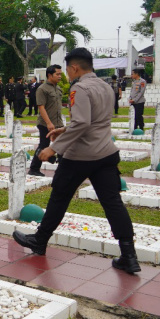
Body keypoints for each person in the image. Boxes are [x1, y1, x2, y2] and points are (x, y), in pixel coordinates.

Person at [13, 48, 140, 275]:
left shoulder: (79, 88)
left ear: (74, 67)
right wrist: (63, 130)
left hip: (80, 155)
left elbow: (82, 123)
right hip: (105, 153)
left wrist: (53, 148)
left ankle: (40, 241)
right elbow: (95, 120)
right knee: (113, 203)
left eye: (67, 70)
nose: (67, 75)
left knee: (59, 198)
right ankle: (129, 256)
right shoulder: (105, 86)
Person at [29, 65, 64, 177]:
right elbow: (41, 107)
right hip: (45, 123)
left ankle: (62, 169)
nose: (60, 76)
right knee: (44, 145)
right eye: (57, 74)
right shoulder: (42, 89)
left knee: (62, 145)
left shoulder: (58, 88)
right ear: (49, 75)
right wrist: (49, 123)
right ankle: (34, 168)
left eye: (60, 74)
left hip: (58, 123)